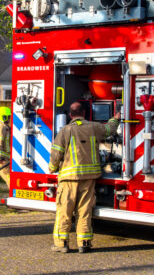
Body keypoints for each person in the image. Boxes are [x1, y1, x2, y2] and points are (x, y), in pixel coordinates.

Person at [48, 102, 120, 253]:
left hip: (68, 179)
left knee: (64, 212)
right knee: (84, 211)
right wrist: (116, 117)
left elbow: (56, 154)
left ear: (70, 115)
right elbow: (110, 129)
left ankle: (61, 244)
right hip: (89, 179)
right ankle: (84, 243)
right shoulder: (94, 127)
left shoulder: (65, 130)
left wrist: (52, 169)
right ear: (84, 113)